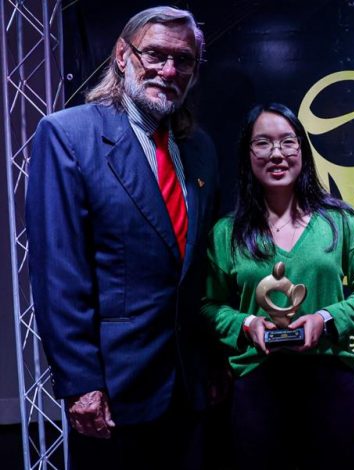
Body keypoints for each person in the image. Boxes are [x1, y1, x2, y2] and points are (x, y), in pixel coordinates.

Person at [26, 6, 219, 469]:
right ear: (121, 55)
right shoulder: (68, 135)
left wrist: (212, 363)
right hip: (113, 393)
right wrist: (81, 383)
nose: (168, 71)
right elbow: (59, 274)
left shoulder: (201, 149)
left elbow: (202, 271)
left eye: (183, 60)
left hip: (190, 388)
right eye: (154, 54)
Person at [201, 103, 354, 469]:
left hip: (328, 384)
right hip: (257, 386)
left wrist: (325, 319)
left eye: (287, 142)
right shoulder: (226, 233)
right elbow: (209, 304)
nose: (277, 154)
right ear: (247, 153)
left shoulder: (340, 221)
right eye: (263, 143)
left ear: (302, 149)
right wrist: (246, 324)